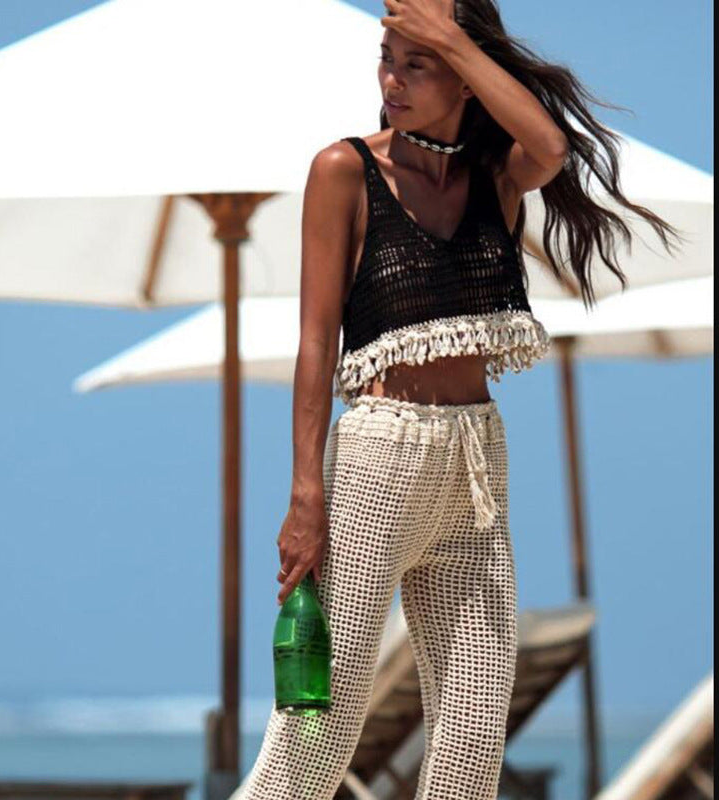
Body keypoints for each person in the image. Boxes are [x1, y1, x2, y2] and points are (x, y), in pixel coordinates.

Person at [237, 1, 682, 798]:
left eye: (421, 62)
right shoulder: (343, 171)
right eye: (388, 58)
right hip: (376, 455)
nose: (392, 80)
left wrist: (453, 35)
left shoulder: (496, 181)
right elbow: (315, 343)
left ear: (468, 75)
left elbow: (551, 143)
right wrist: (306, 493)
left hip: (475, 461)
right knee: (320, 725)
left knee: (477, 725)